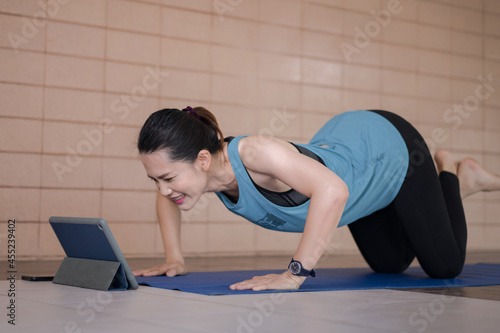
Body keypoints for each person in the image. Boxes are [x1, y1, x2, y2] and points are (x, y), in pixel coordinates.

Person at [132, 106, 500, 291]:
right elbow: (168, 198)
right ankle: (431, 198)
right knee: (389, 265)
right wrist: (174, 258)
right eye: (155, 180)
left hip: (388, 149)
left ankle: (453, 175)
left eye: (167, 178)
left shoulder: (257, 154)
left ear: (201, 159)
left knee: (445, 267)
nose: (164, 190)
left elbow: (333, 190)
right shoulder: (202, 175)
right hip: (357, 170)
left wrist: (294, 274)